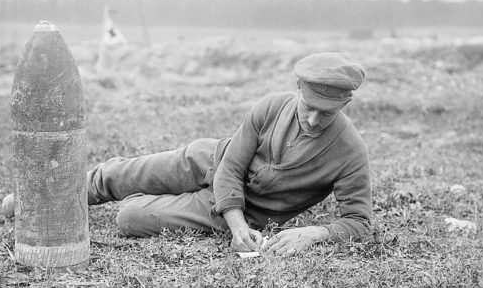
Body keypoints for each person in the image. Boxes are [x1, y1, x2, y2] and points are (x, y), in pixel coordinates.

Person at [82, 52, 372, 256]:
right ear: (298, 88)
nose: (312, 120)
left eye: (327, 113)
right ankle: (58, 199)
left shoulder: (351, 152)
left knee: (130, 217)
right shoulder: (270, 106)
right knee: (116, 176)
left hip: (236, 209)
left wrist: (315, 233)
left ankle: (149, 199)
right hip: (207, 160)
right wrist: (236, 226)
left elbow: (359, 222)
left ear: (345, 104)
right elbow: (231, 167)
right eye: (308, 106)